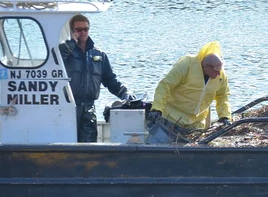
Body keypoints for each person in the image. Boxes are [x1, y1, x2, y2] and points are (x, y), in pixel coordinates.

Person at [59, 14, 135, 142]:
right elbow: (56, 62)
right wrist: (72, 42)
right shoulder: (64, 50)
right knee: (67, 142)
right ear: (72, 31)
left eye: (85, 29)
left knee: (89, 145)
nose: (82, 32)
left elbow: (110, 80)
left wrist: (124, 93)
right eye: (78, 29)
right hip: (69, 107)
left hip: (89, 107)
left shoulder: (99, 55)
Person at [146, 41, 231, 144]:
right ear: (205, 67)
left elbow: (222, 97)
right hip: (171, 118)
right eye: (215, 70)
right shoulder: (186, 65)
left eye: (220, 70)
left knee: (192, 150)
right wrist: (156, 109)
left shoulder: (221, 76)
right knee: (157, 145)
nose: (218, 74)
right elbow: (165, 86)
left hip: (196, 123)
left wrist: (225, 117)